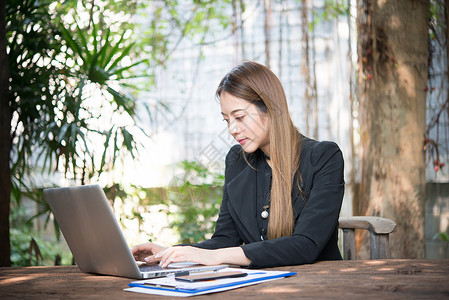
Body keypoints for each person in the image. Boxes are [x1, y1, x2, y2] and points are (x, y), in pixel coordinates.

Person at [132, 61, 345, 268]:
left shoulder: (323, 157)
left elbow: (305, 245)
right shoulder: (237, 160)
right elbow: (225, 240)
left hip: (318, 282)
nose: (232, 129)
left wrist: (215, 257)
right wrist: (170, 253)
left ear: (270, 108)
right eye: (226, 120)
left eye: (240, 117)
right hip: (260, 287)